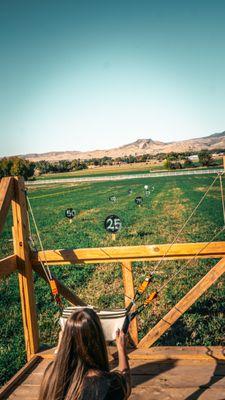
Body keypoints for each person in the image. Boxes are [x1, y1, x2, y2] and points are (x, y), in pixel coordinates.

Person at [38, 308, 131, 400]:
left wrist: (60, 348)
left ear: (66, 339)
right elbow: (125, 384)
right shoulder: (106, 383)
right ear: (98, 340)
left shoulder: (51, 375)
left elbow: (60, 364)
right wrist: (121, 349)